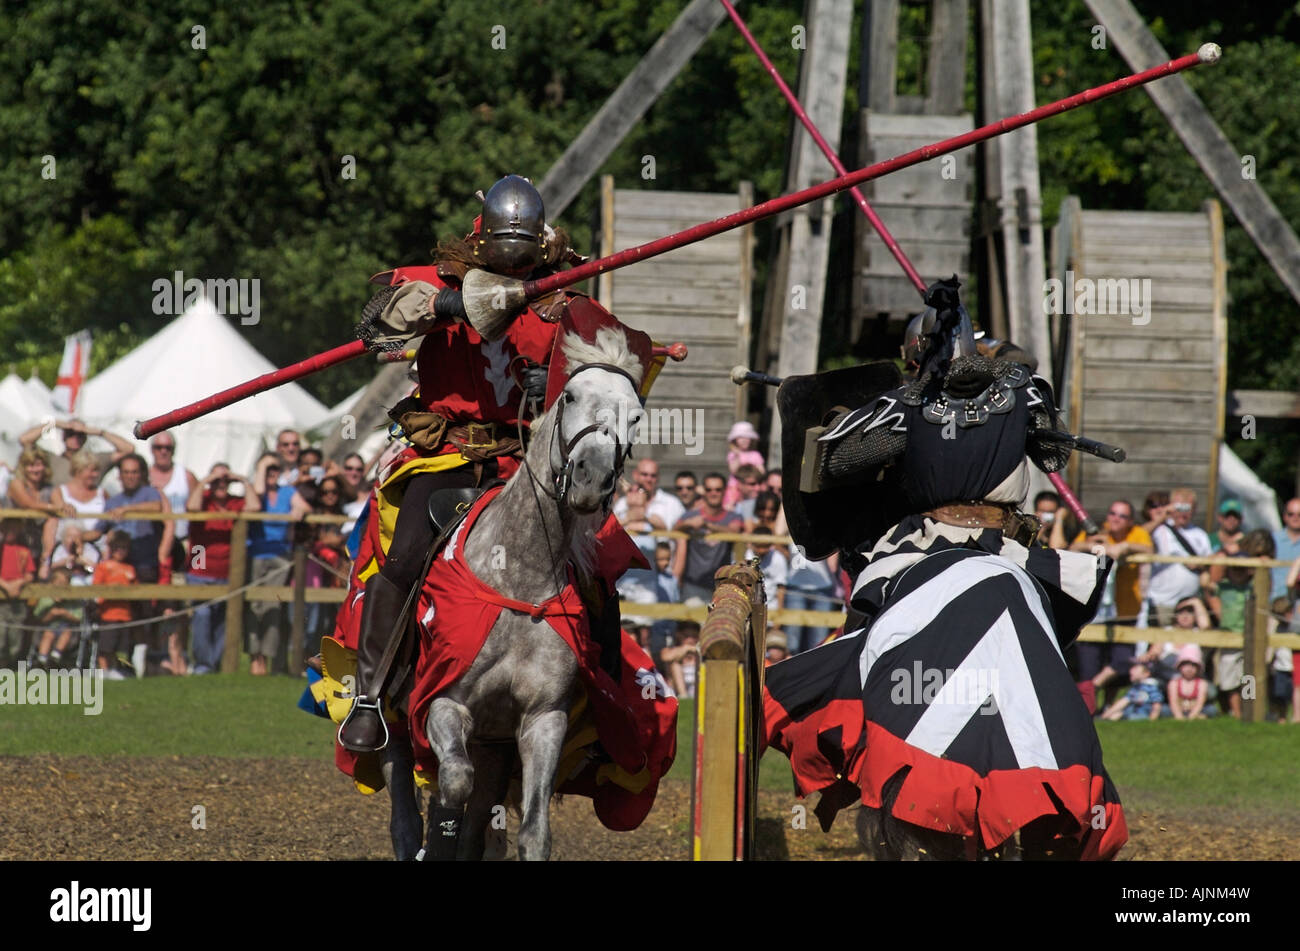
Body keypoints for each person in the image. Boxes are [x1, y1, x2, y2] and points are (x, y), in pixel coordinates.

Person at [762, 285, 1125, 858]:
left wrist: (861, 408)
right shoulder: (1023, 394)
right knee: (1053, 609)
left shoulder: (905, 405)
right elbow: (1052, 453)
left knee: (867, 627)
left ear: (918, 357)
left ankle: (855, 721)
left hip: (921, 549)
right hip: (1009, 552)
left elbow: (828, 459)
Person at [335, 174, 652, 755]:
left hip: (528, 461)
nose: (514, 270)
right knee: (404, 559)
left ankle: (601, 704)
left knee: (601, 566)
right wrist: (447, 304)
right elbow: (376, 326)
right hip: (448, 456)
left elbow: (613, 366)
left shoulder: (563, 297)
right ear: (481, 245)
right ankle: (371, 698)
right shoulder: (444, 279)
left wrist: (557, 379)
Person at [85, 453, 172, 676]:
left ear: (141, 474)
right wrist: (78, 535)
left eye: (134, 472)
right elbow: (98, 530)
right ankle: (118, 665)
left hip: (143, 564)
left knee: (144, 617)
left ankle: (141, 663)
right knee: (116, 618)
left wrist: (126, 511)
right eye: (126, 472)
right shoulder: (113, 501)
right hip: (117, 568)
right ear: (120, 476)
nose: (131, 476)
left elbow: (156, 508)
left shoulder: (149, 494)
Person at [1069, 499, 1154, 702]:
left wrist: (1124, 546)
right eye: (1112, 513)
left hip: (1126, 610)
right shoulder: (1098, 533)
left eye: (1122, 515)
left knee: (1122, 661)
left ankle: (1095, 692)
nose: (1115, 519)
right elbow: (1073, 548)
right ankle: (1089, 705)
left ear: (1131, 520)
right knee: (1089, 663)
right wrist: (1093, 546)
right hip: (1095, 610)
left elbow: (1149, 550)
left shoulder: (1137, 534)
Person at [186, 463, 260, 674]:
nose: (221, 484)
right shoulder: (204, 499)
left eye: (224, 481)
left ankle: (216, 664)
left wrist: (243, 480)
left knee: (223, 621)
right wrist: (207, 480)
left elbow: (254, 507)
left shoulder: (235, 503)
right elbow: (192, 507)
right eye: (216, 481)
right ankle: (203, 664)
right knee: (202, 616)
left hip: (228, 572)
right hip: (200, 568)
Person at [247, 453, 311, 675]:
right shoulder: (256, 491)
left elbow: (306, 507)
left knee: (272, 606)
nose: (271, 472)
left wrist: (299, 510)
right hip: (256, 554)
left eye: (275, 468)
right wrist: (263, 466)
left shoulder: (287, 491)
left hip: (280, 556)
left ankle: (266, 656)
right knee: (254, 606)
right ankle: (254, 657)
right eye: (268, 468)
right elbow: (257, 494)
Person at [1205, 529, 1274, 718]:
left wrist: (1263, 567)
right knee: (1229, 679)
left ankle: (1248, 709)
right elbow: (1208, 585)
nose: (1238, 573)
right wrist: (1223, 554)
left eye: (1242, 568)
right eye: (1235, 568)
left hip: (1249, 637)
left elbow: (1268, 587)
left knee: (1248, 676)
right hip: (1229, 636)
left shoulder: (1253, 587)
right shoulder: (1224, 587)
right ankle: (1236, 712)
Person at [672, 472, 744, 604]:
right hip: (693, 585)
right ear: (703, 491)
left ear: (724, 491)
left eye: (718, 489)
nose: (713, 493)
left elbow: (735, 532)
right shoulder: (690, 516)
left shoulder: (733, 517)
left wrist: (707, 524)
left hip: (722, 587)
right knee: (691, 624)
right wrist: (689, 524)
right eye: (709, 489)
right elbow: (674, 531)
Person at [1146, 487, 1213, 627]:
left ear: (1194, 509)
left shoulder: (1200, 534)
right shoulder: (1160, 529)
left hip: (1188, 606)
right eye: (1179, 507)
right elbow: (1139, 536)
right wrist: (1163, 516)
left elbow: (1210, 562)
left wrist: (1200, 563)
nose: (1183, 513)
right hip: (1161, 602)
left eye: (1187, 507)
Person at [19, 418, 134, 488]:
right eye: (70, 433)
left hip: (87, 516)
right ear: (63, 436)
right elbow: (24, 440)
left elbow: (128, 449)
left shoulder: (96, 460)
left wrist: (100, 432)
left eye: (80, 434)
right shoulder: (50, 459)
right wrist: (54, 424)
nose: (75, 438)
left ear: (85, 438)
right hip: (56, 514)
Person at [43, 451, 108, 572]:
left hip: (95, 547)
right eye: (91, 470)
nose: (95, 475)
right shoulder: (60, 492)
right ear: (78, 470)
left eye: (96, 471)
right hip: (65, 547)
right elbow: (53, 520)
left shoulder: (102, 493)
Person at [147, 431, 199, 566]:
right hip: (151, 543)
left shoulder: (186, 476)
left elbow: (199, 509)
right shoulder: (143, 477)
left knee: (187, 581)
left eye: (168, 448)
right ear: (152, 450)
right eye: (159, 447)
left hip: (184, 542)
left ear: (173, 450)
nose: (163, 451)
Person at [92, 530, 137, 679]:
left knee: (121, 645)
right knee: (106, 644)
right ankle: (103, 670)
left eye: (123, 548)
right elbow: (96, 588)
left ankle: (115, 669)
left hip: (124, 614)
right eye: (117, 547)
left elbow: (136, 590)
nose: (120, 551)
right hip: (108, 614)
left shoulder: (130, 569)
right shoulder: (103, 567)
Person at [5, 447, 60, 566]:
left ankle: (46, 559)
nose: (35, 470)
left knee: (53, 520)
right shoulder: (16, 483)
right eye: (30, 465)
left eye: (38, 465)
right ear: (23, 468)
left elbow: (60, 505)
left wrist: (66, 507)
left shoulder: (49, 487)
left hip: (38, 541)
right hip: (13, 539)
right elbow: (28, 504)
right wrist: (53, 507)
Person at [0, 517, 35, 668]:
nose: (10, 532)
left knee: (16, 635)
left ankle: (11, 665)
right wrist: (6, 586)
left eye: (14, 529)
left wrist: (19, 583)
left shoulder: (24, 551)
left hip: (17, 600)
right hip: (2, 598)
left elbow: (29, 574)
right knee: (1, 634)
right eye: (8, 529)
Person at [32, 566, 83, 669]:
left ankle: (55, 657)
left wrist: (66, 614)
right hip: (49, 626)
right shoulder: (46, 598)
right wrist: (51, 614)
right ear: (51, 583)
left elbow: (79, 618)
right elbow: (39, 617)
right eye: (58, 583)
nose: (60, 586)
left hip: (67, 628)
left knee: (66, 632)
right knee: (48, 635)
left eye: (63, 583)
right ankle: (42, 660)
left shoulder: (73, 599)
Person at [723, 420, 764, 508]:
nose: (744, 440)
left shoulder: (755, 454)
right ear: (734, 440)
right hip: (735, 486)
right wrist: (737, 455)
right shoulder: (733, 455)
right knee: (730, 506)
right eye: (741, 437)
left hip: (751, 486)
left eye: (747, 437)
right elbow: (733, 470)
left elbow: (761, 472)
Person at [1166, 645, 1211, 719]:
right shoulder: (1174, 683)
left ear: (1198, 668)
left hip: (1195, 709)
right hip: (1179, 708)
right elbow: (1173, 701)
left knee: (1211, 710)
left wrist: (1191, 716)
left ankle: (1197, 715)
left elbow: (1200, 702)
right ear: (1180, 666)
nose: (1189, 669)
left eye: (1193, 666)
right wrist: (1179, 717)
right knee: (1164, 710)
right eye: (1186, 665)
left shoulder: (1202, 683)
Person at [1271, 497, 1300, 600]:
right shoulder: (1271, 540)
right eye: (1291, 514)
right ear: (1284, 517)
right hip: (1272, 602)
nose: (1295, 517)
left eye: (1299, 514)